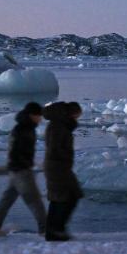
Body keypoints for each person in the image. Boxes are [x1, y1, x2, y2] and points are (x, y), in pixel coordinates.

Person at [0, 102, 47, 236]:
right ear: (32, 115)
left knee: (7, 199)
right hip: (22, 171)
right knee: (34, 201)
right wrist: (25, 165)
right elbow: (16, 151)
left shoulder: (25, 128)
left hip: (17, 170)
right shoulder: (23, 130)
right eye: (38, 116)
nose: (40, 119)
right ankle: (45, 230)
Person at [43, 101, 83, 241]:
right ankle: (56, 230)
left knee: (59, 198)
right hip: (58, 167)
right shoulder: (58, 126)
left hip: (58, 166)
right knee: (68, 196)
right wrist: (64, 158)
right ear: (71, 113)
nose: (77, 118)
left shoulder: (59, 124)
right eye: (77, 115)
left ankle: (53, 230)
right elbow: (56, 148)